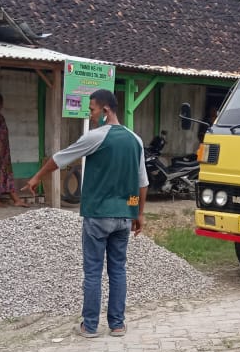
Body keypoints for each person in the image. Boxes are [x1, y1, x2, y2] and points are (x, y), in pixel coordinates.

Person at [25, 89, 149, 338]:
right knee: (118, 270)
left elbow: (60, 158)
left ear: (105, 110)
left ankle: (90, 326)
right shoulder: (135, 140)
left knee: (93, 271)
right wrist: (138, 213)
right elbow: (141, 183)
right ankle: (117, 325)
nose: (90, 116)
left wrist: (37, 177)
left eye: (92, 110)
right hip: (125, 216)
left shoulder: (96, 137)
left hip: (98, 217)